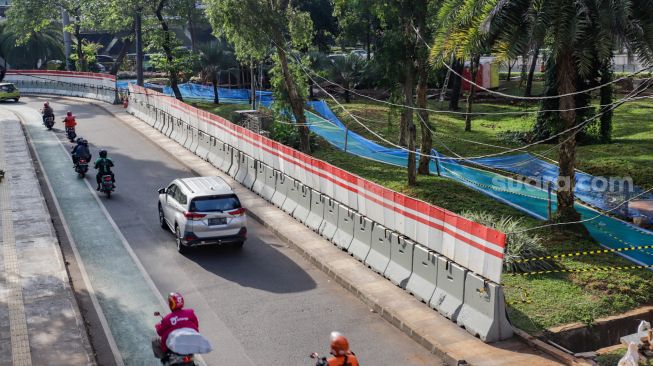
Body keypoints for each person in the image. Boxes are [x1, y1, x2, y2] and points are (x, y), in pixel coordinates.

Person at [151, 292, 199, 360]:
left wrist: (158, 327)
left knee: (154, 340)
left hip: (173, 347)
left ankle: (164, 359)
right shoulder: (190, 313)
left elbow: (160, 332)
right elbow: (196, 325)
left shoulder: (167, 318)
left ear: (171, 304)